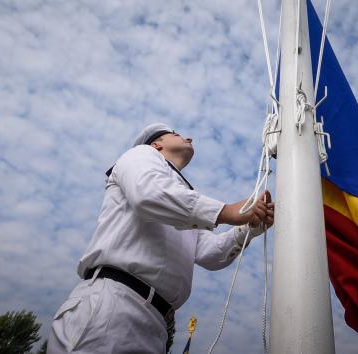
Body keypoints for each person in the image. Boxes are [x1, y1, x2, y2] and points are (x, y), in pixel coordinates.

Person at [47, 123, 274, 354]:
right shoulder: (140, 154)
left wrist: (248, 228)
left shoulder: (183, 200)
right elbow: (148, 194)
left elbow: (210, 254)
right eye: (175, 134)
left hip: (155, 323)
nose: (190, 138)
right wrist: (226, 211)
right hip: (113, 304)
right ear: (157, 144)